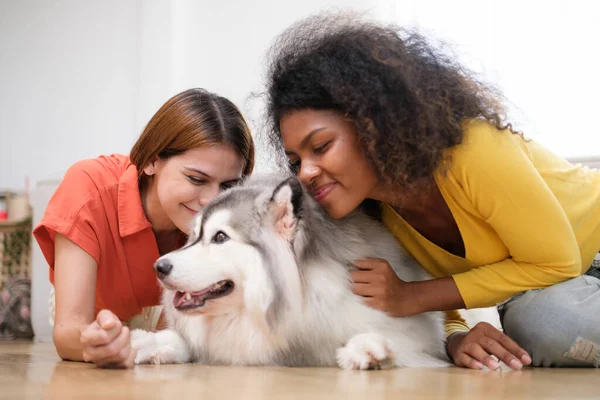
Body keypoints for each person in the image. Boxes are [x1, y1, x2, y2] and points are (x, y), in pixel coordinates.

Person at [264, 14, 600, 369]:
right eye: (295, 160)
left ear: (372, 124)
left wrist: (412, 296)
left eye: (320, 146)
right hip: (547, 293)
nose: (306, 173)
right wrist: (455, 338)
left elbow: (557, 261)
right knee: (545, 326)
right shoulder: (372, 211)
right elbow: (445, 296)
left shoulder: (471, 149)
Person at [33, 88, 255, 368]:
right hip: (93, 315)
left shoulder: (228, 217)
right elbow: (69, 330)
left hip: (164, 312)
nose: (212, 202)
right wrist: (102, 344)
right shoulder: (88, 188)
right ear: (151, 160)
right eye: (196, 179)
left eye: (228, 186)